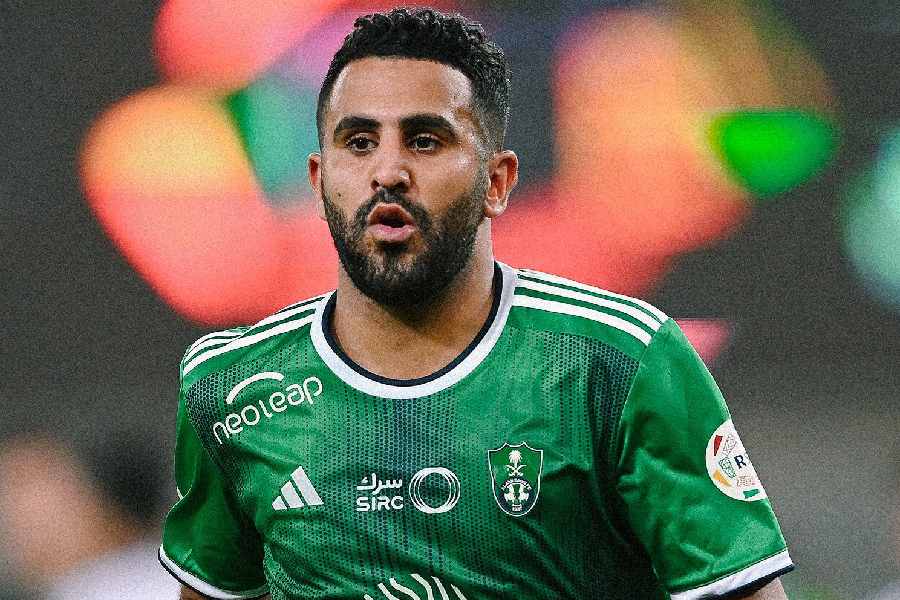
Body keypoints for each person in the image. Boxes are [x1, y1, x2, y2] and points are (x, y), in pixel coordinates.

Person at [159, 7, 794, 599]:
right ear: (319, 180)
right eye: (359, 142)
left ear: (497, 181)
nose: (388, 172)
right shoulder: (231, 387)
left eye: (425, 140)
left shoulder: (622, 361)